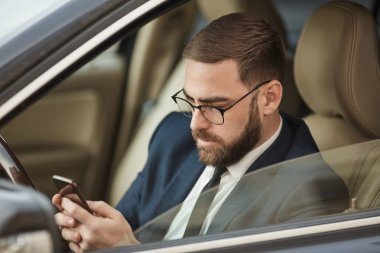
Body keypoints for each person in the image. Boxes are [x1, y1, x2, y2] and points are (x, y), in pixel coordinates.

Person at [52, 13, 348, 252]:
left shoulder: (311, 196)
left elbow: (126, 243)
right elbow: (127, 223)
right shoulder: (173, 136)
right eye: (191, 101)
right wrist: (93, 234)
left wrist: (126, 249)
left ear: (268, 98)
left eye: (214, 106)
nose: (195, 124)